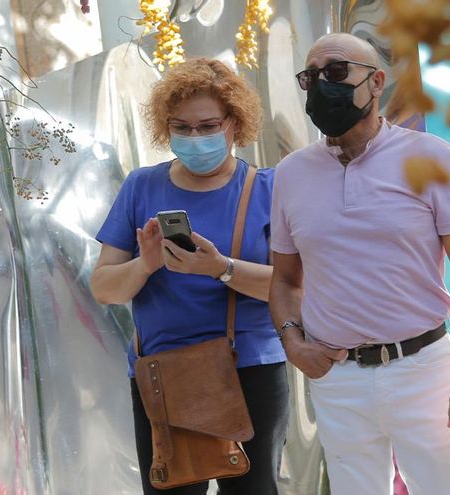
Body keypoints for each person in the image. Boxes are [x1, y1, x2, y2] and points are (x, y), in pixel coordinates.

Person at [269, 33, 450, 495]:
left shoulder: (431, 157)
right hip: (337, 378)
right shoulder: (291, 173)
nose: (322, 85)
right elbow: (286, 280)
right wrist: (293, 342)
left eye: (336, 72)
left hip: (422, 370)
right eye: (311, 77)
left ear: (376, 82)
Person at [90, 57, 288, 495]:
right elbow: (103, 288)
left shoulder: (267, 188)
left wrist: (221, 268)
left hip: (249, 369)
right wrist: (145, 264)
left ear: (234, 123)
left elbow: (290, 286)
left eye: (207, 126)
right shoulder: (141, 186)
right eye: (181, 127)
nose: (195, 137)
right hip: (163, 374)